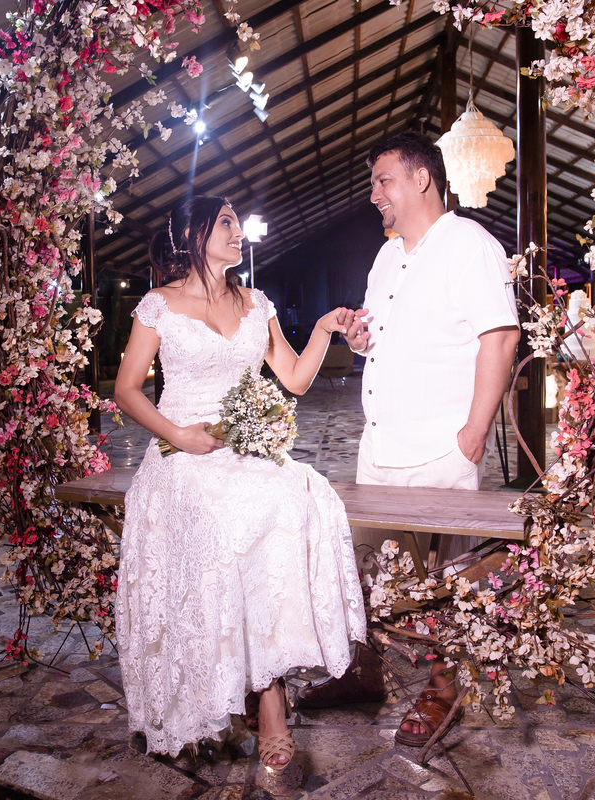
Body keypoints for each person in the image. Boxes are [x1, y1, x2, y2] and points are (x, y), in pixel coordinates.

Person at [112, 196, 367, 768]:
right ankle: (255, 694)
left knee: (293, 496)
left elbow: (297, 380)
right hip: (182, 456)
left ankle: (268, 686)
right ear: (191, 234)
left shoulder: (257, 304)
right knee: (222, 526)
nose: (238, 232)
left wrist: (325, 327)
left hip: (244, 451)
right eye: (225, 222)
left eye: (237, 223)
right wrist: (178, 434)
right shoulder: (159, 305)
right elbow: (127, 389)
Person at [296, 131, 520, 747]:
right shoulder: (387, 257)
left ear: (421, 179)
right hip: (381, 447)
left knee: (440, 578)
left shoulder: (470, 245)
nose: (374, 196)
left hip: (440, 449)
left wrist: (473, 432)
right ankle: (361, 673)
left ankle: (444, 688)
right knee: (365, 567)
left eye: (382, 181)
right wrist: (363, 341)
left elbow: (499, 338)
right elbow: (384, 336)